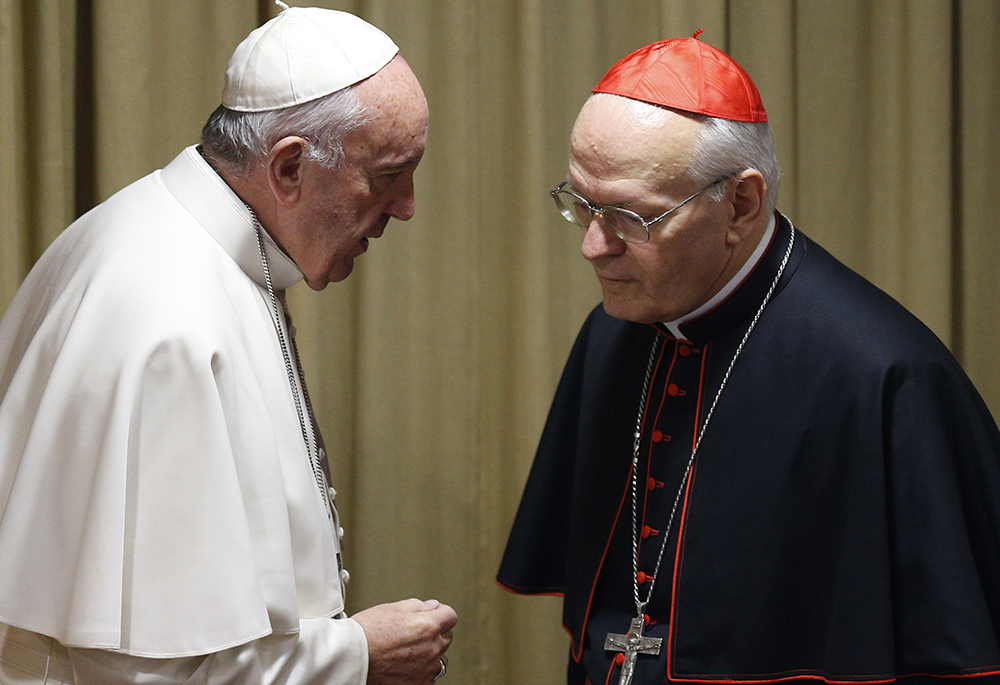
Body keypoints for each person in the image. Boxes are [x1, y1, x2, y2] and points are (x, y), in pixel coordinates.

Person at [498, 34, 1000, 685]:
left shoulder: (883, 375)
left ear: (740, 203)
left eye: (628, 217)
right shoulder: (611, 334)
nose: (594, 246)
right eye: (582, 204)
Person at [0, 5, 456, 684]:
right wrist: (359, 653)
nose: (407, 207)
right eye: (388, 175)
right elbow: (150, 670)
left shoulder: (159, 233)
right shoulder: (170, 321)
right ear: (290, 167)